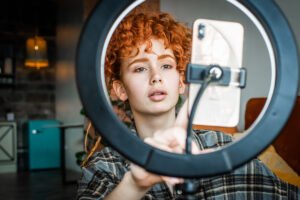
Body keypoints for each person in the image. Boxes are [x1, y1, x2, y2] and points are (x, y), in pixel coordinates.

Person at [77, 12, 299, 200]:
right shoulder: (106, 165)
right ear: (120, 90)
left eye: (166, 65)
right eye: (139, 68)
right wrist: (135, 184)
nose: (156, 77)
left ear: (182, 81)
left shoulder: (222, 147)